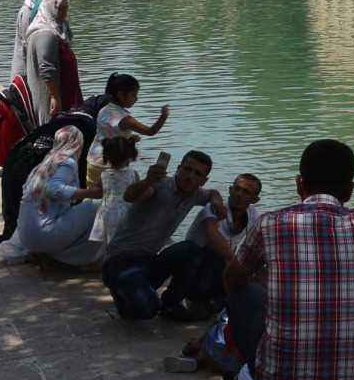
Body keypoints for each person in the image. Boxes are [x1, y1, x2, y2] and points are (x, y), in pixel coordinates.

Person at [225, 141, 354, 380]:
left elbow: (233, 277)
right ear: (349, 190)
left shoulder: (270, 223)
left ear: (300, 183)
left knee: (242, 291)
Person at [102, 150, 221, 321]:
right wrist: (147, 180)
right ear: (178, 168)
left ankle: (170, 303)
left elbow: (212, 193)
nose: (190, 176)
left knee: (190, 250)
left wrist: (217, 201)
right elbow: (130, 196)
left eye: (197, 174)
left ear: (203, 180)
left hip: (148, 261)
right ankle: (124, 293)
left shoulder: (195, 194)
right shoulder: (159, 186)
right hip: (120, 261)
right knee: (145, 311)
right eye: (187, 169)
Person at [15, 125, 105, 266]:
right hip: (43, 234)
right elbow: (53, 188)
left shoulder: (48, 161)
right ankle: (78, 259)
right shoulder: (67, 162)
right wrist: (93, 193)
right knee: (99, 208)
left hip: (27, 236)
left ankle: (52, 255)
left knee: (83, 210)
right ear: (77, 144)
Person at [182, 172, 261, 312]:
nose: (239, 194)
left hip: (220, 272)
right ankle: (199, 300)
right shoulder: (213, 208)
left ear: (254, 199)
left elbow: (259, 245)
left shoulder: (253, 214)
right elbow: (214, 237)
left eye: (246, 192)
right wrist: (237, 265)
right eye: (237, 189)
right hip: (195, 268)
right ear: (230, 190)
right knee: (217, 256)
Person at [86, 72, 169, 187]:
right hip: (111, 164)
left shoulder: (104, 109)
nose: (136, 99)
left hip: (93, 159)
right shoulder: (125, 119)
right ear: (121, 95)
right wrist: (163, 116)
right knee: (116, 195)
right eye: (133, 95)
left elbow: (109, 133)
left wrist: (129, 138)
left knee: (93, 193)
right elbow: (151, 131)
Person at [23, 0, 74, 124]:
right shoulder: (46, 33)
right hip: (47, 94)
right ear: (51, 8)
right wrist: (54, 97)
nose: (64, 13)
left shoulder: (53, 29)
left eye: (66, 9)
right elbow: (46, 67)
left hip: (55, 91)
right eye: (61, 9)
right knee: (49, 126)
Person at [89, 135, 142, 250]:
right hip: (126, 211)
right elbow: (138, 194)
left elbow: (97, 191)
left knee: (109, 243)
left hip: (108, 211)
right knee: (125, 242)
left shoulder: (104, 174)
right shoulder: (133, 174)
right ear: (130, 156)